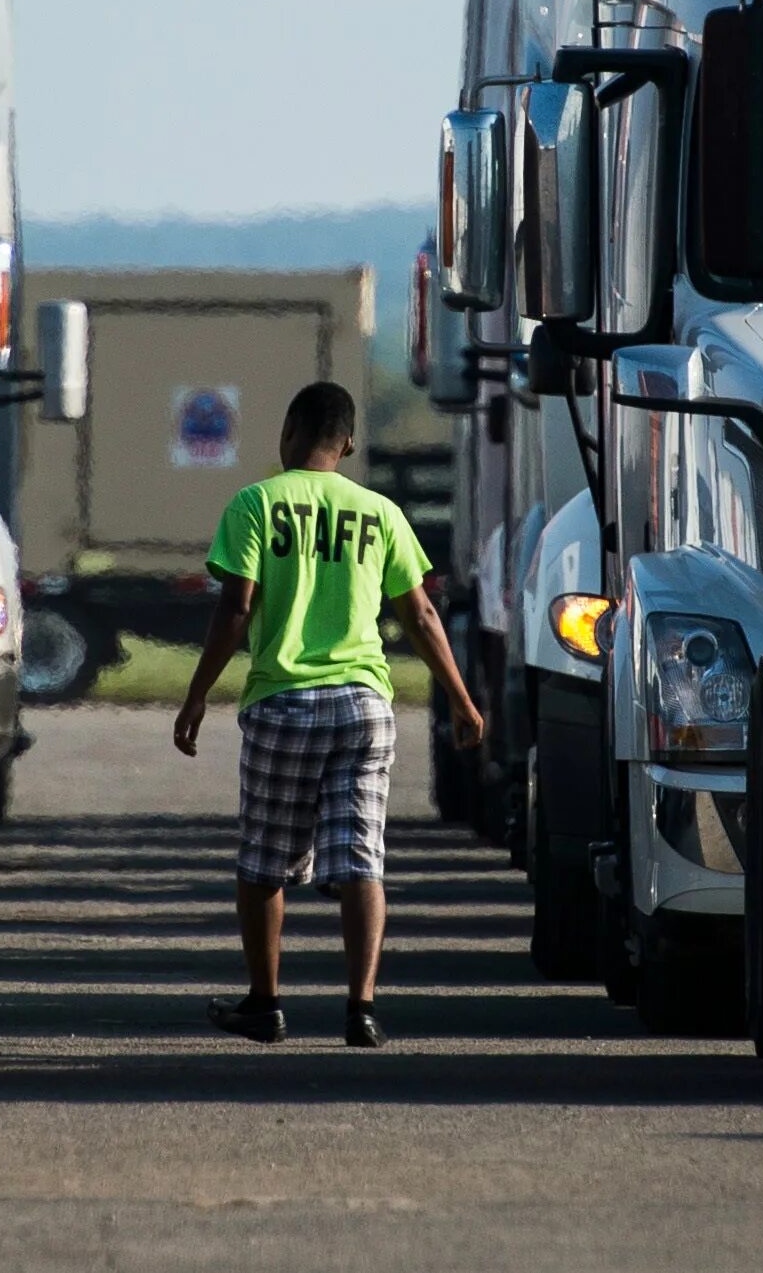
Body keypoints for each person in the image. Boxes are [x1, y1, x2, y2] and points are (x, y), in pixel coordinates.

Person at [174, 381, 485, 1048]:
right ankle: (361, 1008)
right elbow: (422, 613)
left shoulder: (255, 503)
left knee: (263, 864)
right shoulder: (381, 512)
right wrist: (460, 696)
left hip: (282, 703)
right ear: (347, 444)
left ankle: (265, 1002)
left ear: (288, 432)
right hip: (364, 706)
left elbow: (234, 610)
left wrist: (198, 693)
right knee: (362, 860)